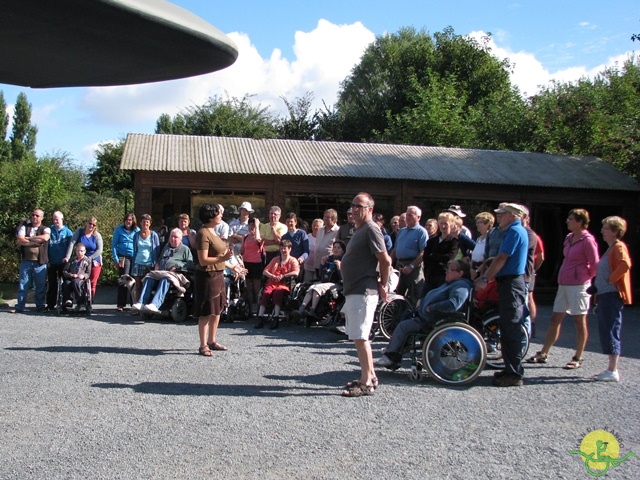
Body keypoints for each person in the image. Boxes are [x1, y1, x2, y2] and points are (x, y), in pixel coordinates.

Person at [526, 208, 599, 369]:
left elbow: (594, 264)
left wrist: (583, 278)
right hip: (564, 284)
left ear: (580, 222)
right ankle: (544, 352)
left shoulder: (588, 240)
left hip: (579, 285)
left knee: (579, 320)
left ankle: (578, 356)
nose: (567, 221)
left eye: (571, 219)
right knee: (555, 319)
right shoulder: (569, 237)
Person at [376, 259, 473, 369]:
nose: (447, 271)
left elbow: (454, 304)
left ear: (460, 273)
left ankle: (391, 355)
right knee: (405, 319)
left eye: (451, 270)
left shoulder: (461, 286)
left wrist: (431, 307)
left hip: (434, 320)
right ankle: (394, 348)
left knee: (404, 326)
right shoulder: (451, 284)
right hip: (428, 317)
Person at [340, 192, 391, 397]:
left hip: (364, 290)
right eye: (353, 205)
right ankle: (370, 376)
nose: (354, 209)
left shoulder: (371, 229)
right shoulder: (360, 230)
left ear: (370, 209)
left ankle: (366, 382)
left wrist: (384, 284)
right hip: (355, 290)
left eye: (359, 206)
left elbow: (385, 260)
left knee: (361, 337)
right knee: (358, 337)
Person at [475, 203, 529, 387]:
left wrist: (485, 279)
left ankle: (514, 374)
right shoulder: (513, 231)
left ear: (513, 216)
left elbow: (501, 258)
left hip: (512, 283)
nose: (498, 217)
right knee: (507, 327)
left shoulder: (514, 232)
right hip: (508, 282)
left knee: (511, 328)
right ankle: (509, 369)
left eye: (502, 214)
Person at [592, 216, 631, 382]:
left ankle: (613, 369)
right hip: (605, 295)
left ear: (615, 231)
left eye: (606, 228)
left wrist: (611, 279)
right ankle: (610, 367)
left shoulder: (618, 247)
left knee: (611, 329)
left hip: (611, 295)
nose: (602, 231)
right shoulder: (610, 248)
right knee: (606, 328)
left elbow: (625, 264)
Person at [194, 203, 233, 357]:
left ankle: (212, 340)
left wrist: (232, 265)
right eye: (218, 213)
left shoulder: (213, 231)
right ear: (211, 216)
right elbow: (203, 260)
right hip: (207, 276)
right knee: (206, 311)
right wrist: (222, 258)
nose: (221, 215)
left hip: (218, 274)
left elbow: (220, 257)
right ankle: (203, 345)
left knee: (217, 310)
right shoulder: (203, 233)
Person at [132, 228, 194, 313]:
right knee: (149, 278)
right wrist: (157, 264)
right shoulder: (166, 247)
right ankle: (141, 303)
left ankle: (155, 304)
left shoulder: (185, 249)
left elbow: (190, 264)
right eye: (171, 236)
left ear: (180, 239)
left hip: (175, 274)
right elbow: (160, 258)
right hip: (161, 272)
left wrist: (177, 266)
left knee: (165, 279)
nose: (173, 239)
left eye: (175, 237)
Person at [254, 239, 300, 330]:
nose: (283, 250)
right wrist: (272, 276)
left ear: (290, 249)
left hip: (284, 284)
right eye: (281, 248)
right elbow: (265, 271)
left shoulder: (292, 260)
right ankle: (260, 318)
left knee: (277, 293)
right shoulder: (275, 259)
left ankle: (276, 318)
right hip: (272, 282)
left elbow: (296, 272)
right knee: (266, 293)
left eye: (285, 248)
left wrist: (284, 275)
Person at [12, 209, 51, 313]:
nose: (34, 217)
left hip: (40, 262)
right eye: (33, 215)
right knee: (23, 284)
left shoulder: (46, 228)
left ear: (42, 217)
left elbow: (45, 238)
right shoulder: (25, 227)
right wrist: (34, 242)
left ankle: (40, 306)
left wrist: (28, 239)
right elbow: (20, 239)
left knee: (40, 286)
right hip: (26, 261)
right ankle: (19, 306)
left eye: (37, 215)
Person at [295, 240, 345, 319]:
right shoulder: (330, 258)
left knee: (317, 288)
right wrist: (322, 264)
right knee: (311, 287)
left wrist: (339, 267)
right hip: (325, 282)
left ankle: (312, 310)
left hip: (337, 283)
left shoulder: (344, 260)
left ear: (343, 250)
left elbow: (343, 277)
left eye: (338, 248)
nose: (336, 249)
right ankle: (302, 308)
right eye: (334, 247)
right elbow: (321, 274)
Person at [391, 206, 428, 306]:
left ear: (418, 217)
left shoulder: (421, 232)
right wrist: (390, 263)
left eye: (410, 215)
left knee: (414, 294)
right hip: (400, 265)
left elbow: (423, 252)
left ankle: (413, 317)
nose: (407, 217)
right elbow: (395, 249)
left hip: (413, 267)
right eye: (406, 214)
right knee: (398, 294)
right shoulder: (402, 231)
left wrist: (411, 266)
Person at [421, 212, 459, 296]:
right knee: (423, 298)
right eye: (441, 223)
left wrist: (434, 255)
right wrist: (439, 258)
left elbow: (450, 257)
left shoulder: (453, 241)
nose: (443, 226)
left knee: (437, 298)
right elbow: (426, 257)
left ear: (451, 224)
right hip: (430, 274)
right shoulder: (432, 241)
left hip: (443, 275)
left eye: (446, 223)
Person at [66, 217, 103, 300]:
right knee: (79, 279)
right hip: (80, 259)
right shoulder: (79, 232)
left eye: (94, 225)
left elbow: (99, 250)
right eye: (90, 223)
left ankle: (89, 300)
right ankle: (80, 300)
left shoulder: (96, 235)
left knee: (92, 282)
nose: (91, 226)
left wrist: (90, 258)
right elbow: (72, 243)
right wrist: (68, 257)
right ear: (87, 223)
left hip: (94, 259)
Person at [111, 212, 140, 311]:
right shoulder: (119, 230)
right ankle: (121, 304)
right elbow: (114, 245)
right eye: (127, 220)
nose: (128, 222)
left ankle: (134, 303)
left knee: (134, 281)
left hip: (135, 257)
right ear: (124, 220)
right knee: (124, 279)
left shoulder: (137, 230)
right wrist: (115, 259)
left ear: (133, 221)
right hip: (123, 257)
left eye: (130, 220)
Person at [130, 214, 161, 304]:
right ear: (140, 223)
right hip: (138, 262)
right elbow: (135, 249)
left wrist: (156, 263)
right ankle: (137, 305)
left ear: (150, 223)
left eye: (147, 222)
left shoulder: (154, 235)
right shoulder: (136, 235)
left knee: (147, 285)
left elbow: (157, 250)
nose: (145, 224)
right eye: (143, 222)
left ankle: (146, 304)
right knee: (138, 286)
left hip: (150, 263)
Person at [46, 211, 73, 311]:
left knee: (66, 282)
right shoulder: (49, 230)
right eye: (54, 219)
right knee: (52, 284)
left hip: (63, 261)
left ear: (62, 219)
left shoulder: (68, 232)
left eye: (57, 219)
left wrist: (67, 257)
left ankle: (66, 302)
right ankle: (50, 304)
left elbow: (71, 246)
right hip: (52, 261)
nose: (55, 221)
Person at [241, 218, 264, 315]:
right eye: (250, 225)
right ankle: (250, 309)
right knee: (248, 288)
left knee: (256, 288)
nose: (251, 227)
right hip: (247, 263)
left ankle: (259, 309)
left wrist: (257, 225)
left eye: (253, 225)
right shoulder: (245, 237)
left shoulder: (260, 236)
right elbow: (242, 251)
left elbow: (257, 239)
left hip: (257, 264)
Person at [62, 243, 92, 311]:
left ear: (85, 251)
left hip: (80, 279)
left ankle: (81, 303)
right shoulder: (71, 260)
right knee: (67, 283)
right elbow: (64, 271)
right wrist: (71, 275)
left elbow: (88, 273)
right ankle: (68, 300)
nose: (79, 252)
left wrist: (83, 276)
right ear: (75, 251)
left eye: (81, 251)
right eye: (78, 251)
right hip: (71, 277)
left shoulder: (87, 260)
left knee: (76, 282)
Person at [314, 209, 339, 277]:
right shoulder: (320, 230)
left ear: (334, 219)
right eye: (324, 216)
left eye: (328, 217)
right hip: (318, 263)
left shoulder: (338, 231)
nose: (325, 218)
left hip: (329, 264)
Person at [303, 218, 324, 283]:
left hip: (319, 266)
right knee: (307, 283)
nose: (315, 227)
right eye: (314, 225)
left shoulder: (324, 238)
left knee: (315, 284)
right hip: (308, 266)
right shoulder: (307, 237)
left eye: (317, 226)